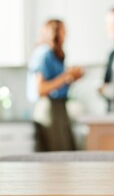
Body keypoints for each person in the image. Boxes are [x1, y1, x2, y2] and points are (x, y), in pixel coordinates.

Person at [27, 19, 84, 151]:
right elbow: (41, 89)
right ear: (55, 33)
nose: (66, 35)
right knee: (58, 154)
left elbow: (56, 83)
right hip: (49, 110)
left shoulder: (55, 54)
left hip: (59, 108)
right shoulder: (44, 53)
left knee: (67, 151)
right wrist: (66, 76)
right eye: (64, 31)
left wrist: (72, 78)